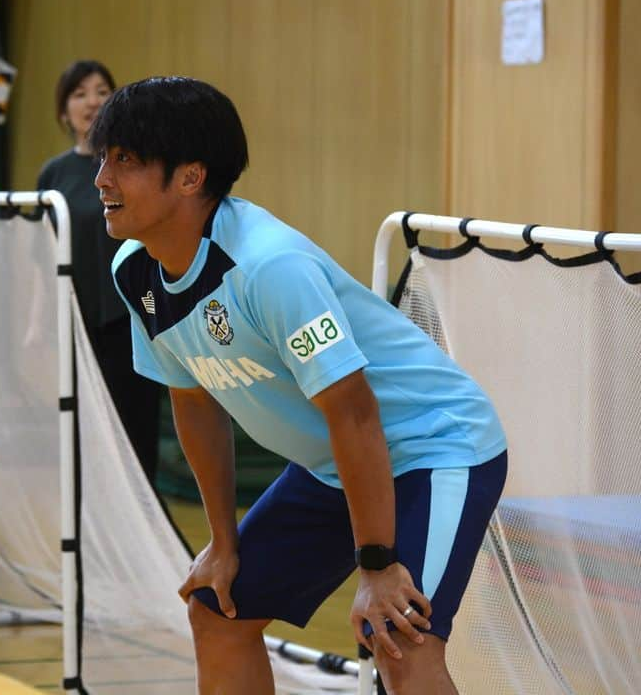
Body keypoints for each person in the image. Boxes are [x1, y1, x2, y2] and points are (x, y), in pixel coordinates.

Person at [93, 76, 508, 695]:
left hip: (434, 447)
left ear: (189, 177)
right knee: (218, 610)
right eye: (105, 158)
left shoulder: (269, 267)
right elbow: (193, 400)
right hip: (334, 466)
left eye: (124, 160)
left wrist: (377, 564)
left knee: (400, 640)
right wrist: (223, 544)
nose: (101, 178)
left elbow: (355, 414)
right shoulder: (136, 271)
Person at [37, 60, 161, 484]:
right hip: (74, 324)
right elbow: (42, 253)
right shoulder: (52, 174)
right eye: (79, 93)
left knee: (134, 434)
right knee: (81, 435)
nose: (91, 101)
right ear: (62, 111)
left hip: (128, 322)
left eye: (101, 90)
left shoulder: (134, 164)